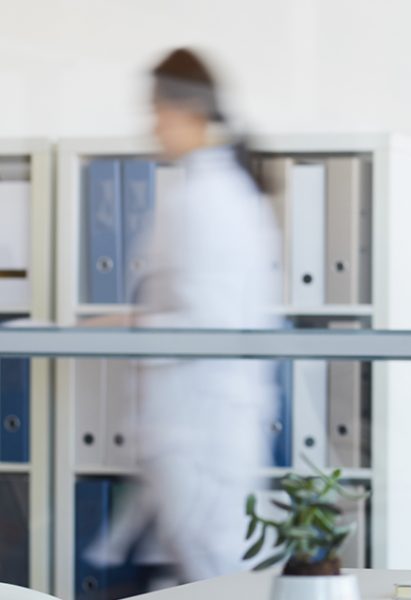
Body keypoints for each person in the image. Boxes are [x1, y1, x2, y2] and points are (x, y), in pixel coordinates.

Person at [84, 48, 281, 583]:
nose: (151, 126)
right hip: (192, 427)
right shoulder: (204, 188)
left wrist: (118, 329)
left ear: (183, 111)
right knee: (197, 572)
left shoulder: (211, 198)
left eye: (155, 112)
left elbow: (208, 326)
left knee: (215, 576)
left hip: (200, 428)